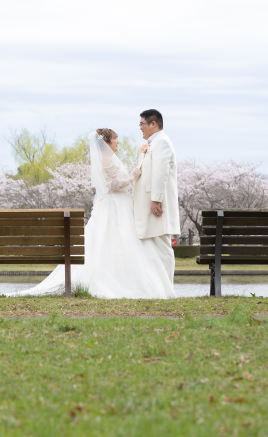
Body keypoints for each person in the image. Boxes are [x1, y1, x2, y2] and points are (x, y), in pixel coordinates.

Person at [10, 125, 176, 298]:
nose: (118, 142)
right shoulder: (107, 160)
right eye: (115, 138)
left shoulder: (107, 159)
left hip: (116, 204)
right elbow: (114, 185)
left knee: (113, 241)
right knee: (120, 240)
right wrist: (132, 177)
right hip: (115, 206)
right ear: (106, 142)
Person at [132, 109, 180, 285]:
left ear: (153, 124)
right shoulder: (153, 143)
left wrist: (156, 200)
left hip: (157, 205)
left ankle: (167, 286)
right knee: (153, 246)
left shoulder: (162, 142)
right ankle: (157, 286)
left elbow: (161, 173)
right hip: (149, 204)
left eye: (142, 124)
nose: (140, 128)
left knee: (162, 246)